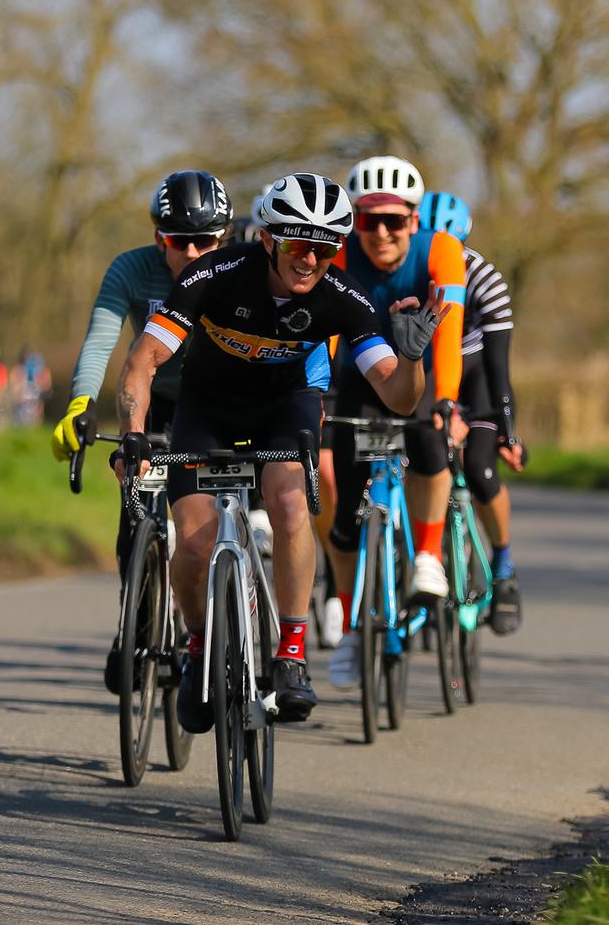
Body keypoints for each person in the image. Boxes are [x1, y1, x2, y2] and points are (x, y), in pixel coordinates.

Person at [114, 172, 448, 732]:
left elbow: (397, 396)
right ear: (268, 239)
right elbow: (143, 360)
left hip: (284, 408)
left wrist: (413, 358)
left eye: (324, 248)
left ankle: (291, 652)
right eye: (296, 245)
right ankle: (199, 645)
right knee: (193, 548)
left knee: (292, 505)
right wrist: (134, 432)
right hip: (208, 408)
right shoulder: (214, 274)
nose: (309, 260)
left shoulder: (344, 298)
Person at [50, 169, 233, 691]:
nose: (195, 253)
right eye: (181, 241)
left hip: (218, 401)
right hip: (154, 398)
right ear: (159, 239)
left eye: (207, 241)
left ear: (223, 239)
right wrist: (79, 405)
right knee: (135, 508)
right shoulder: (131, 269)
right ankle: (136, 617)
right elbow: (100, 339)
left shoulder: (237, 270)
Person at [324, 159, 469, 690]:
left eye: (393, 221)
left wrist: (447, 400)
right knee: (343, 514)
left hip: (418, 372)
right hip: (356, 379)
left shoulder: (442, 251)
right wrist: (318, 396)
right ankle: (351, 626)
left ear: (414, 219)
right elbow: (325, 334)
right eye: (367, 221)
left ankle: (427, 553)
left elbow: (448, 337)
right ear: (354, 222)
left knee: (432, 447)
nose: (380, 233)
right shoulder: (338, 253)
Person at [420, 190, 526, 634]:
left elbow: (500, 366)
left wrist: (508, 432)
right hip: (425, 375)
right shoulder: (409, 269)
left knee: (480, 470)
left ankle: (503, 567)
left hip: (478, 377)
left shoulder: (485, 278)